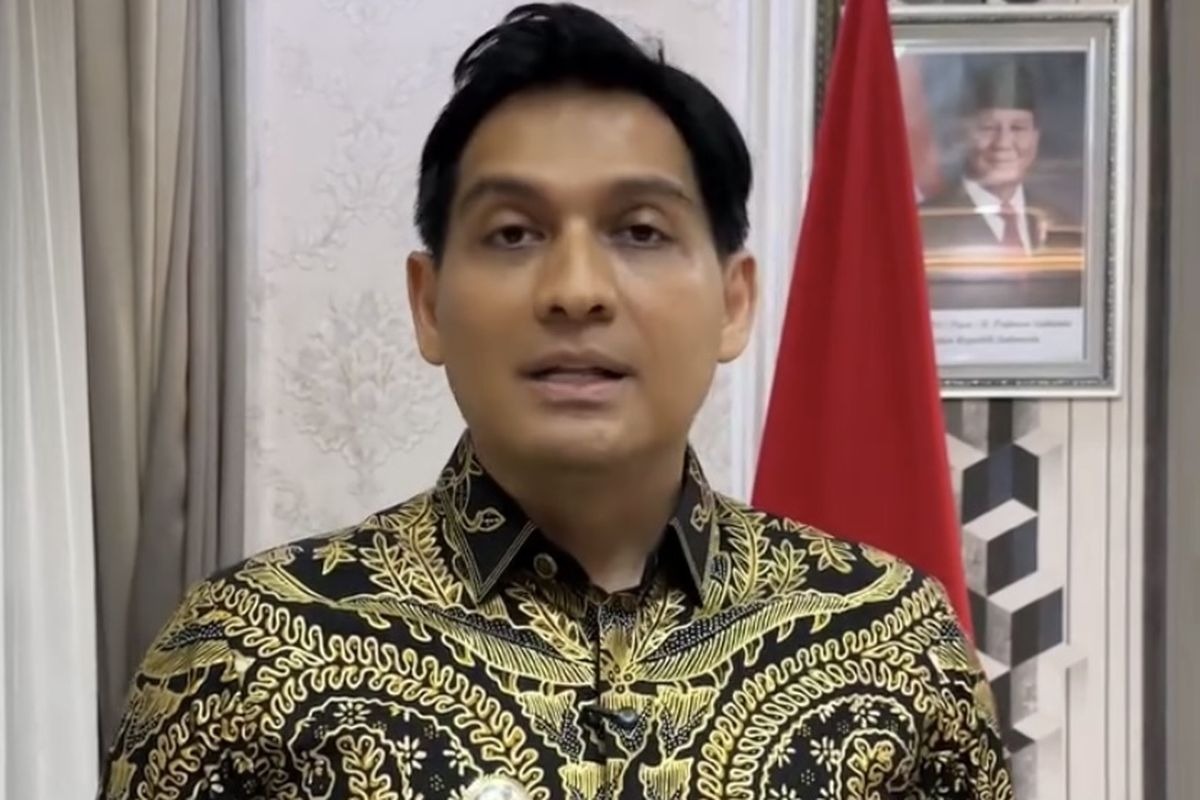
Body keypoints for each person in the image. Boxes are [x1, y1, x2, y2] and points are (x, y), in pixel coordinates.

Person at [99, 5, 1012, 799]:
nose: (576, 290)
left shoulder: (893, 642)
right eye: (513, 234)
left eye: (640, 231)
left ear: (734, 302)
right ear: (429, 304)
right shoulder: (246, 651)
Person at [919, 61, 1084, 309]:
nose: (1003, 143)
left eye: (1018, 128)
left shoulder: (1065, 227)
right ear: (964, 134)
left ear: (1036, 136)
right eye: (988, 127)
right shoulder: (922, 225)